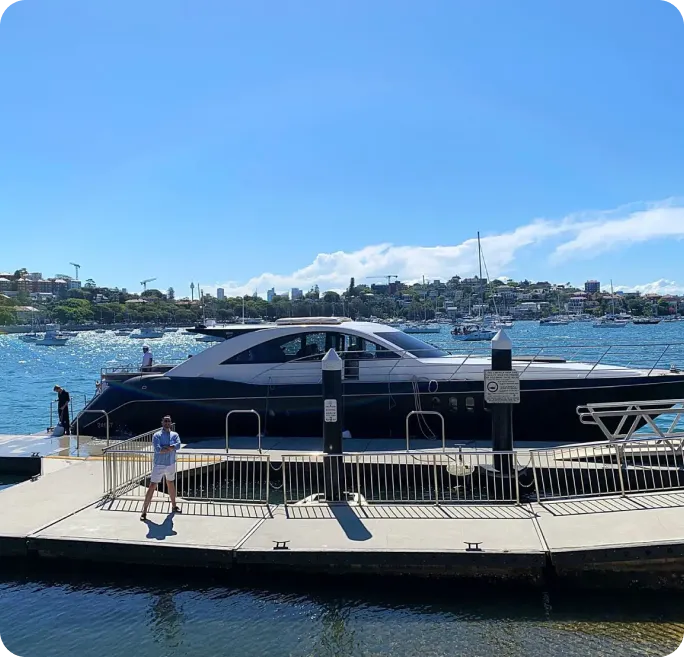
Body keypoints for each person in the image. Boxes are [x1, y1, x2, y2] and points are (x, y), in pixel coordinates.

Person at [140, 415, 181, 521]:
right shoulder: (156, 435)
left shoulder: (175, 434)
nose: (167, 423)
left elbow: (178, 445)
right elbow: (158, 449)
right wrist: (171, 447)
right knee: (152, 485)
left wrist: (167, 447)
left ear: (171, 423)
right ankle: (144, 511)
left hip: (171, 463)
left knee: (170, 483)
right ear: (162, 422)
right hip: (159, 464)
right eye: (165, 421)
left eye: (169, 421)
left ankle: (174, 505)